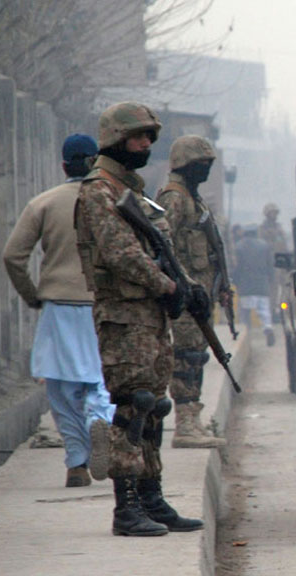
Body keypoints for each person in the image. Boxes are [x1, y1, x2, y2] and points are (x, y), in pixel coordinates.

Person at [75, 101, 205, 536]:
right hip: (124, 315)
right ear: (115, 139)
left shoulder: (131, 188)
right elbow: (121, 254)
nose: (147, 144)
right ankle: (126, 508)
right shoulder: (99, 190)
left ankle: (152, 497)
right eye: (138, 137)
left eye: (150, 136)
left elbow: (159, 250)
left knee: (155, 408)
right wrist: (170, 287)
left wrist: (187, 286)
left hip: (149, 317)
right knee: (134, 407)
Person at [2, 133, 116, 488]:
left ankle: (76, 463)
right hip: (103, 304)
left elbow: (13, 256)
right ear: (96, 162)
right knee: (102, 378)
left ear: (63, 165)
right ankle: (100, 418)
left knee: (62, 388)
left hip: (59, 306)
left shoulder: (44, 203)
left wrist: (32, 295)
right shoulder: (114, 202)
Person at [156, 135, 230, 449]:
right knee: (186, 356)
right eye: (200, 165)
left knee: (197, 355)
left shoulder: (192, 197)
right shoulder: (174, 198)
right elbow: (163, 245)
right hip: (185, 294)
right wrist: (182, 284)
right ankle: (185, 424)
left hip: (199, 294)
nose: (206, 170)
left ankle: (193, 419)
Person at [233, 225, 275, 346]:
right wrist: (271, 279)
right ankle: (268, 329)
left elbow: (238, 267)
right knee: (264, 312)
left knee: (245, 314)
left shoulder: (239, 246)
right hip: (262, 284)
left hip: (246, 285)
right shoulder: (264, 245)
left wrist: (235, 280)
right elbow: (270, 265)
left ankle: (245, 337)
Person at [259, 202, 288, 316]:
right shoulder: (263, 229)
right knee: (273, 287)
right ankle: (272, 310)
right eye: (272, 213)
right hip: (270, 261)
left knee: (285, 285)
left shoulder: (279, 227)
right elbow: (263, 245)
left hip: (281, 260)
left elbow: (283, 243)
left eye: (275, 213)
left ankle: (283, 309)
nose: (274, 215)